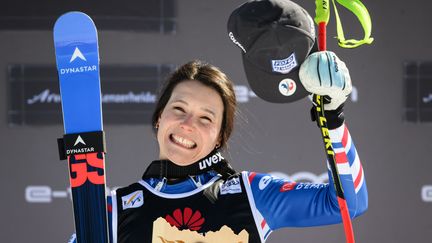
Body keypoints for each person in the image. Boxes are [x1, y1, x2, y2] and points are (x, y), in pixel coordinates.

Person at [67, 1, 367, 242]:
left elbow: (347, 205)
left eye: (205, 117)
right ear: (160, 117)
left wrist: (333, 118)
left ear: (221, 136)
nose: (188, 124)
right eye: (179, 109)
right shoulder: (112, 212)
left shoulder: (252, 194)